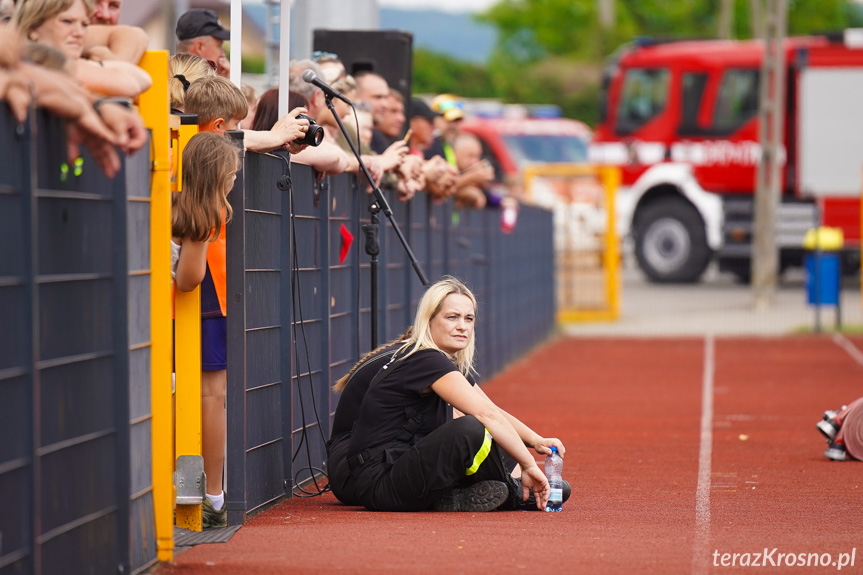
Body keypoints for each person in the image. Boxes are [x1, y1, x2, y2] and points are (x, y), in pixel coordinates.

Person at [337, 276, 569, 512]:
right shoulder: (424, 359)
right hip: (378, 483)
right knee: (471, 429)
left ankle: (462, 495)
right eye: (452, 317)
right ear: (428, 321)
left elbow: (493, 411)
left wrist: (535, 440)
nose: (463, 326)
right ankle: (502, 490)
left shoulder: (440, 362)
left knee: (557, 486)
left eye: (469, 319)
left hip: (402, 468)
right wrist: (528, 464)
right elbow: (485, 414)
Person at [171, 131, 240, 529]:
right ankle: (211, 495)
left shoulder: (174, 201)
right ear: (216, 178)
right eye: (231, 175)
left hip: (182, 315)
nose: (234, 182)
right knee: (212, 396)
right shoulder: (204, 215)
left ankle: (196, 492)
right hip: (201, 311)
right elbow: (188, 279)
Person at [14, 0, 152, 98]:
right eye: (66, 21)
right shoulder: (29, 63)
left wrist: (98, 63)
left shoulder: (65, 47)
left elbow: (143, 78)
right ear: (33, 28)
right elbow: (130, 85)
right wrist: (101, 68)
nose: (79, 32)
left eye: (85, 24)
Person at [175, 8, 230, 79]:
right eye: (219, 46)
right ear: (199, 47)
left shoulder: (165, 80)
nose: (223, 54)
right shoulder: (193, 87)